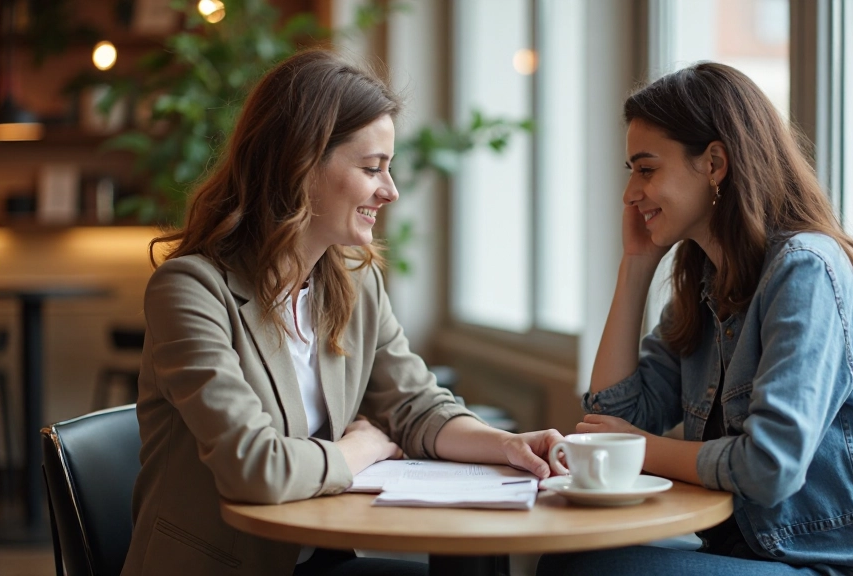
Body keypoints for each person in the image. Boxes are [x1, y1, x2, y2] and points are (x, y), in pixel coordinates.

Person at [121, 49, 563, 576]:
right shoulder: (190, 292)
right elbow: (254, 468)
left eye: (389, 168)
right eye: (372, 167)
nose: (391, 191)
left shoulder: (355, 282)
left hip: (319, 560)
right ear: (300, 165)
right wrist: (359, 449)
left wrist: (509, 446)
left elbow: (416, 406)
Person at [536, 62, 853, 576]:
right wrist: (635, 267)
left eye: (646, 169)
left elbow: (767, 467)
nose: (629, 194)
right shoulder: (707, 282)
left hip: (852, 562)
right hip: (759, 551)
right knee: (574, 559)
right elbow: (613, 421)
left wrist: (638, 448)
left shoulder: (806, 269)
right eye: (631, 172)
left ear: (714, 163)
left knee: (583, 571)